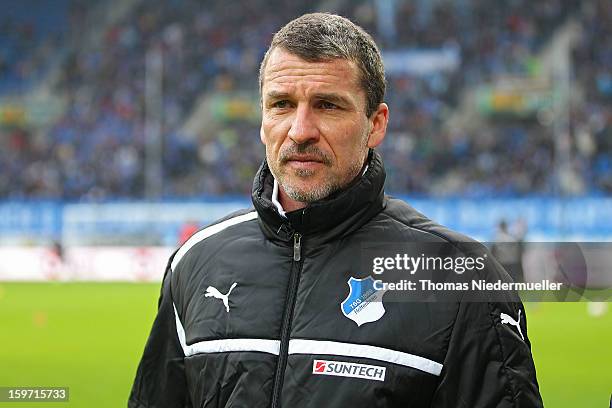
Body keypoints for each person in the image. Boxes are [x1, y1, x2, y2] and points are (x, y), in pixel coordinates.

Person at [129, 13, 542, 407]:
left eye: (327, 105)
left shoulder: (460, 279)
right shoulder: (196, 263)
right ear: (262, 119)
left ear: (376, 123)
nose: (301, 130)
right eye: (281, 104)